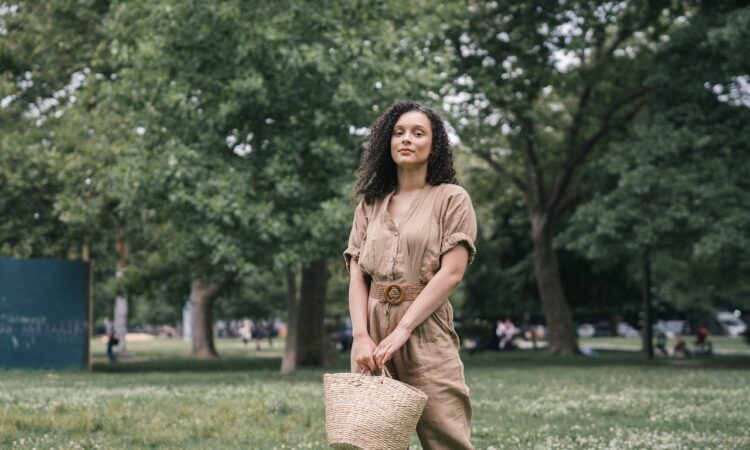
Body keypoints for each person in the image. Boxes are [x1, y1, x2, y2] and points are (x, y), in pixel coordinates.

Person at [345, 101, 476, 449]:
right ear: (387, 142)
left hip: (426, 331)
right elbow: (358, 276)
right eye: (399, 132)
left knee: (447, 438)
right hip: (372, 334)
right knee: (369, 442)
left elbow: (451, 273)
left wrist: (403, 329)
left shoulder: (452, 199)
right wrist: (360, 336)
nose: (407, 139)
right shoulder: (369, 205)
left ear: (433, 147)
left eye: (419, 133)